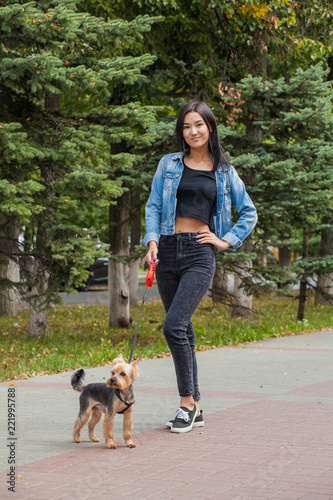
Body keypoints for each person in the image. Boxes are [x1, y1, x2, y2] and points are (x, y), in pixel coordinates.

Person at [143, 101, 257, 433]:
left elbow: (248, 211)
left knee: (173, 326)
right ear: (182, 132)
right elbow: (153, 205)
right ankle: (197, 406)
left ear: (210, 127)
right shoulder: (168, 164)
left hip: (199, 251)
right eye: (186, 127)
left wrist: (226, 240)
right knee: (185, 330)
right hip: (166, 250)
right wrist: (152, 241)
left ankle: (185, 404)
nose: (193, 131)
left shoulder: (223, 171)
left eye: (199, 125)